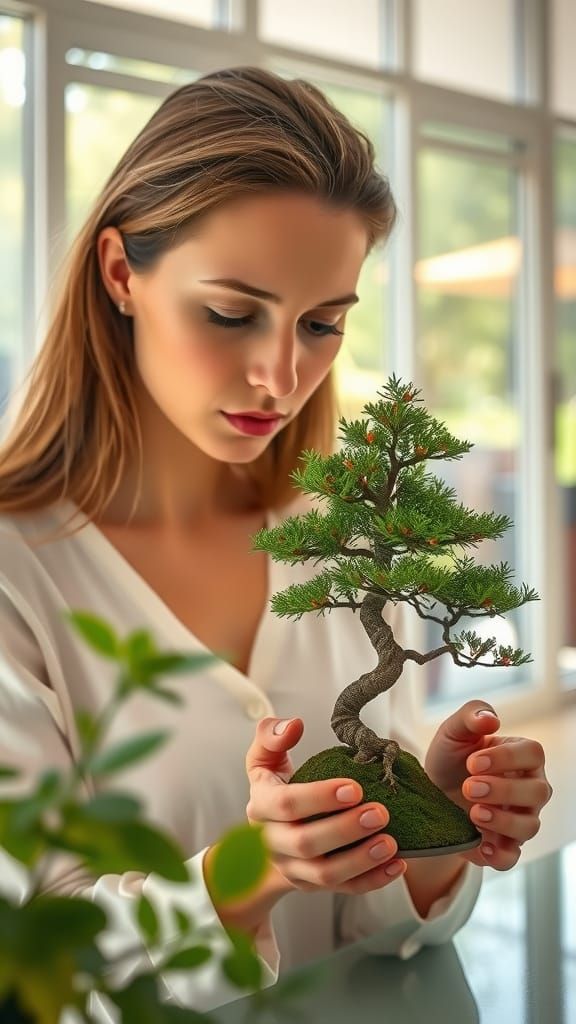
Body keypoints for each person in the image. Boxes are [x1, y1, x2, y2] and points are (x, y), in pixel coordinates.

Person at [0, 66, 551, 1020]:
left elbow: (376, 934)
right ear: (122, 273)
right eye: (230, 313)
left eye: (324, 323)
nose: (280, 373)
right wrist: (251, 869)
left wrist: (435, 826)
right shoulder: (20, 570)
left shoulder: (328, 537)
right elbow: (32, 965)